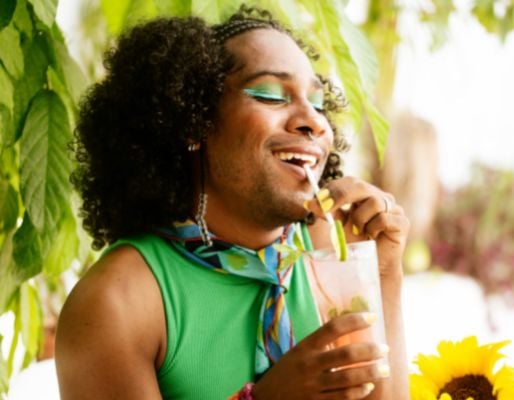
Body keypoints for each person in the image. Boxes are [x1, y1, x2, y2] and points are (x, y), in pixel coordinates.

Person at [55, 6, 410, 400]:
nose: (314, 121)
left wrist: (384, 276)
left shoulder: (331, 255)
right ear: (193, 123)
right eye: (271, 95)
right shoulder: (117, 301)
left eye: (318, 102)